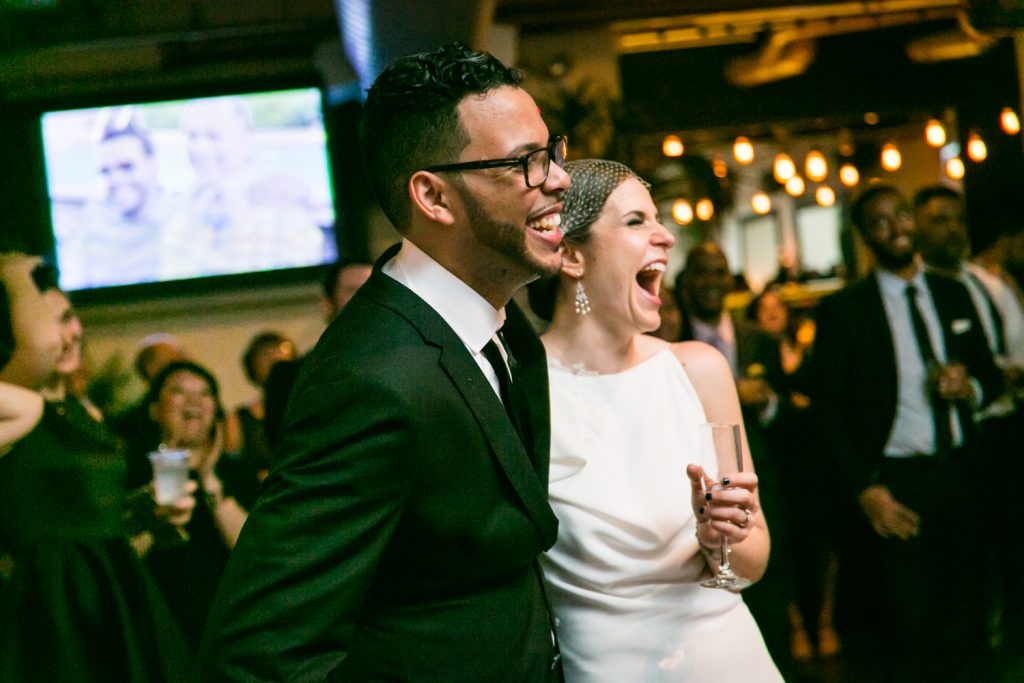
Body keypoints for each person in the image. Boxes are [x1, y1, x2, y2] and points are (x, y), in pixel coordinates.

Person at [200, 43, 570, 680]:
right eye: (523, 164)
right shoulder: (369, 377)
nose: (559, 178)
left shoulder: (511, 335)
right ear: (433, 197)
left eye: (553, 152)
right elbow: (260, 651)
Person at [530, 159, 780, 681]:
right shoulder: (520, 391)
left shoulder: (700, 371)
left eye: (658, 220)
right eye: (637, 222)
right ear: (572, 255)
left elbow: (753, 563)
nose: (666, 237)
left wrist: (721, 539)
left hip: (726, 657)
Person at [809, 184, 1003, 681]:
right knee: (910, 632)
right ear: (864, 236)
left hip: (962, 474)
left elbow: (991, 372)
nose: (895, 228)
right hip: (897, 485)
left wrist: (971, 387)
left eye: (901, 215)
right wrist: (865, 489)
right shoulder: (845, 311)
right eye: (880, 221)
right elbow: (828, 415)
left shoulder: (952, 292)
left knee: (970, 624)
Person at [0, 255, 195, 681]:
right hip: (48, 602)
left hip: (113, 591)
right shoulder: (16, 400)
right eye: (48, 321)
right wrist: (14, 271)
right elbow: (40, 347)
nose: (64, 335)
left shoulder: (84, 412)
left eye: (68, 317)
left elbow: (102, 525)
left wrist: (148, 512)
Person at [914, 184, 1024, 665]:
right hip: (966, 435)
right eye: (939, 220)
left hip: (1007, 422)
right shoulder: (921, 291)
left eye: (957, 219)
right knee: (971, 556)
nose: (952, 229)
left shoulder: (983, 281)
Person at [673, 242, 793, 672]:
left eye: (718, 272)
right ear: (685, 283)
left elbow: (788, 421)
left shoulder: (757, 338)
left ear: (730, 279)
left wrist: (768, 403)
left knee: (773, 599)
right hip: (697, 495)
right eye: (700, 273)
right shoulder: (670, 341)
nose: (711, 282)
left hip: (762, 487)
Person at [127, 360, 253, 653]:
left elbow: (251, 552)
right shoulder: (133, 471)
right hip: (157, 630)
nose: (194, 401)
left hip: (228, 630)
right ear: (155, 408)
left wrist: (210, 482)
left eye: (205, 393)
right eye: (179, 392)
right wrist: (169, 476)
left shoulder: (237, 472)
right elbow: (125, 560)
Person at [262, 259, 372, 450]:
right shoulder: (290, 377)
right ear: (328, 303)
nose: (367, 297)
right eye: (353, 290)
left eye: (375, 289)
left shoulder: (415, 364)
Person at [56, 125, 168, 290]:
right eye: (105, 171)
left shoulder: (183, 217)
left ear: (153, 165)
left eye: (126, 167)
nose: (115, 179)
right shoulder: (90, 223)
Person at [224, 331, 296, 481]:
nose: (275, 359)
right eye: (265, 355)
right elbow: (233, 467)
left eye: (280, 351)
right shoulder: (239, 418)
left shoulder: (304, 408)